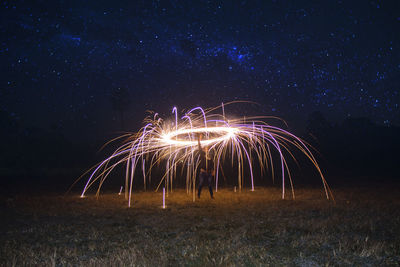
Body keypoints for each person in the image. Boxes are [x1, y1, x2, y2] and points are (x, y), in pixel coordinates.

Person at [197, 134, 214, 199]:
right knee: (201, 183)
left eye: (207, 148)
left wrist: (213, 171)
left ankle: (212, 196)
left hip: (209, 173)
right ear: (204, 149)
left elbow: (212, 163)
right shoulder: (202, 154)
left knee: (209, 185)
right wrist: (199, 139)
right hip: (203, 172)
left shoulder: (210, 156)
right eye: (205, 148)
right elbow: (199, 147)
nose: (206, 149)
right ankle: (198, 195)